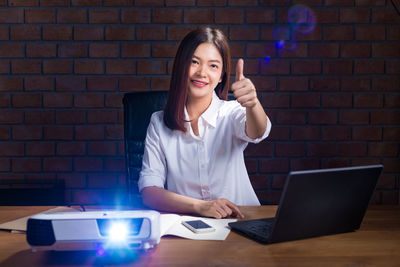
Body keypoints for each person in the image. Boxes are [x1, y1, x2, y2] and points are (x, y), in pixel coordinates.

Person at [138, 27, 271, 219]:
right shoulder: (158, 123)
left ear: (221, 76)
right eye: (194, 62)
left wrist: (252, 103)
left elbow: (257, 131)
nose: (202, 73)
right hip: (191, 228)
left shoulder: (232, 112)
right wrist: (201, 207)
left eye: (213, 66)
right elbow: (149, 192)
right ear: (181, 66)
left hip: (243, 222)